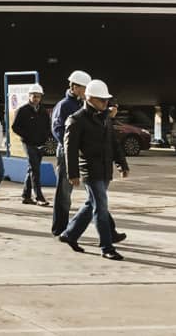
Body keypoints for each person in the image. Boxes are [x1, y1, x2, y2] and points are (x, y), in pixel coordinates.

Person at [59, 78, 128, 259]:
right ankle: (107, 247)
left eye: (107, 101)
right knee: (101, 208)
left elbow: (113, 142)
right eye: (102, 100)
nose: (106, 104)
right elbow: (70, 149)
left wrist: (122, 163)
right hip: (90, 171)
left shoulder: (104, 118)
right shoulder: (76, 120)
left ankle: (70, 234)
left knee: (92, 205)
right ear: (89, 98)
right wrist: (72, 173)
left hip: (105, 170)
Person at [49, 70, 89, 237]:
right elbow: (57, 129)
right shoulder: (64, 105)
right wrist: (70, 147)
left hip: (79, 152)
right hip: (66, 152)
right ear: (74, 87)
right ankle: (60, 228)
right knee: (64, 192)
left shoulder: (81, 104)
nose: (86, 91)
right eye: (84, 87)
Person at [13, 84, 51, 206]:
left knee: (32, 169)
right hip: (28, 143)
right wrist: (26, 136)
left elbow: (47, 127)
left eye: (38, 97)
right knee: (35, 170)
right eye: (34, 96)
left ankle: (26, 195)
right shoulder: (22, 110)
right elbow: (15, 127)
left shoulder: (43, 111)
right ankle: (38, 197)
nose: (36, 99)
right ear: (29, 96)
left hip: (39, 144)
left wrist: (45, 139)